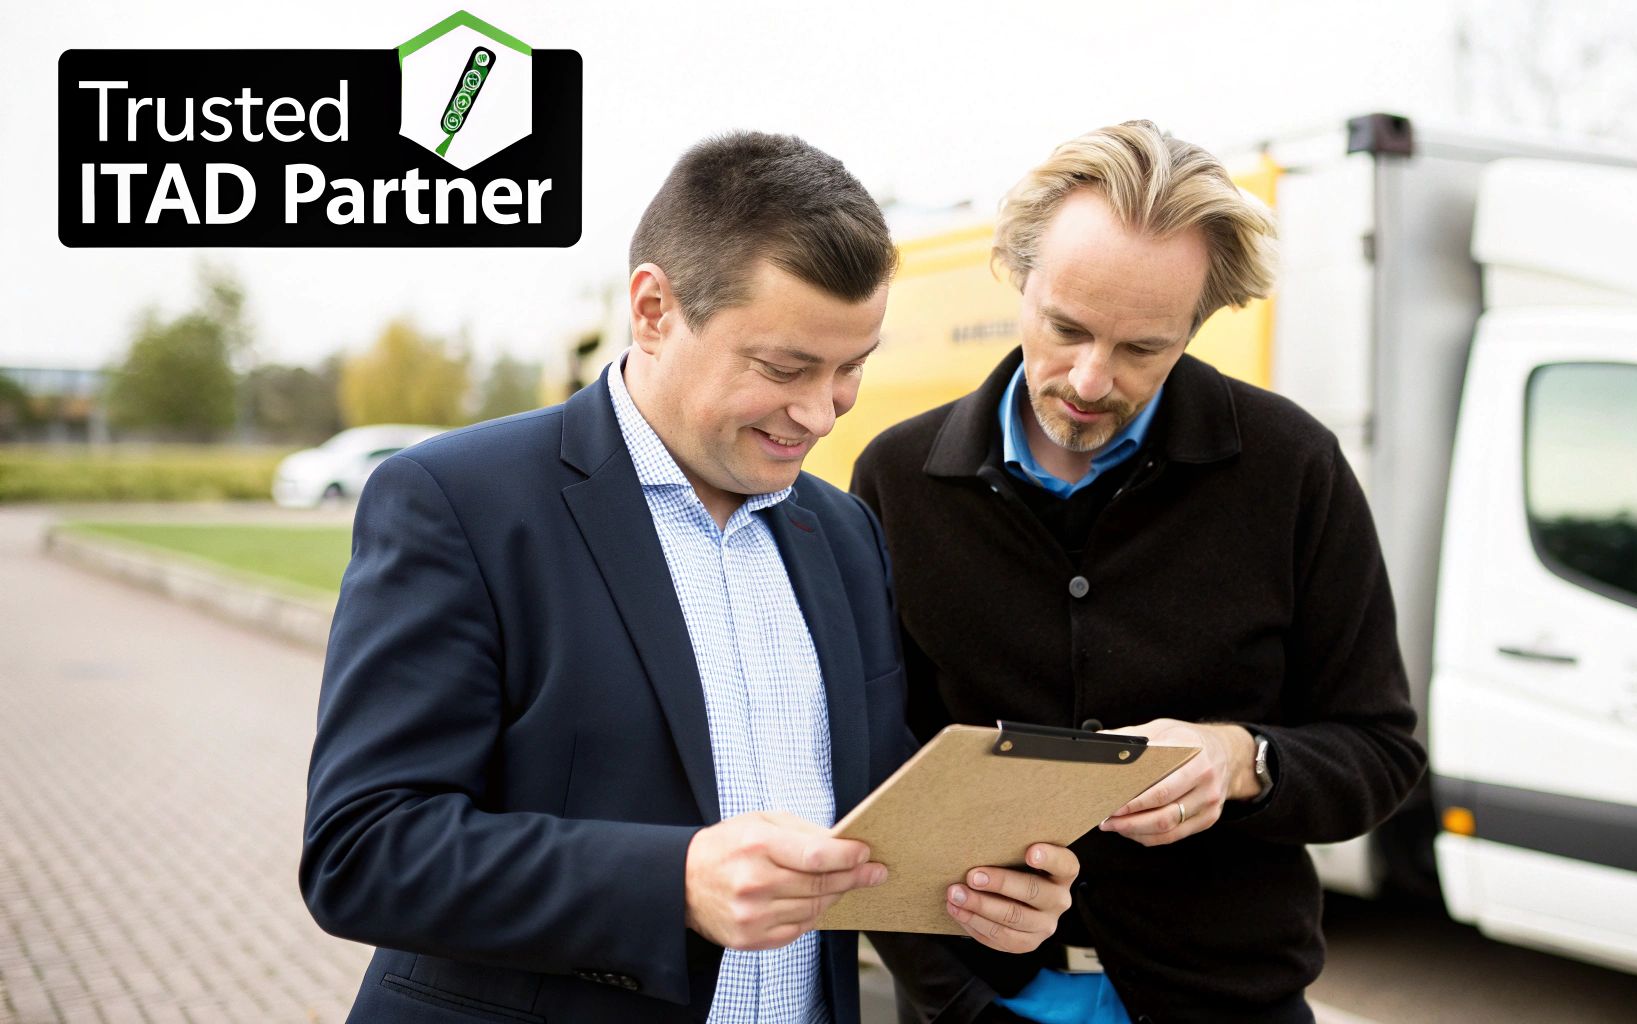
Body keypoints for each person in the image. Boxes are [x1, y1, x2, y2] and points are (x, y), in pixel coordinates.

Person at [301, 131, 1078, 1024]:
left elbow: (865, 814)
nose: (820, 411)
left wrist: (981, 896)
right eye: (784, 368)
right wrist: (672, 882)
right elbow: (362, 851)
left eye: (851, 369)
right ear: (654, 309)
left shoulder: (845, 532)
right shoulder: (456, 502)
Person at [850, 121, 1427, 1024]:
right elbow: (867, 770)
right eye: (1066, 328)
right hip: (981, 1005)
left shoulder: (1295, 469)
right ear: (1017, 274)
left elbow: (1383, 753)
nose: (1089, 379)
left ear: (1198, 324)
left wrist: (1245, 759)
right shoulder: (894, 477)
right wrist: (954, 1003)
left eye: (1142, 349)